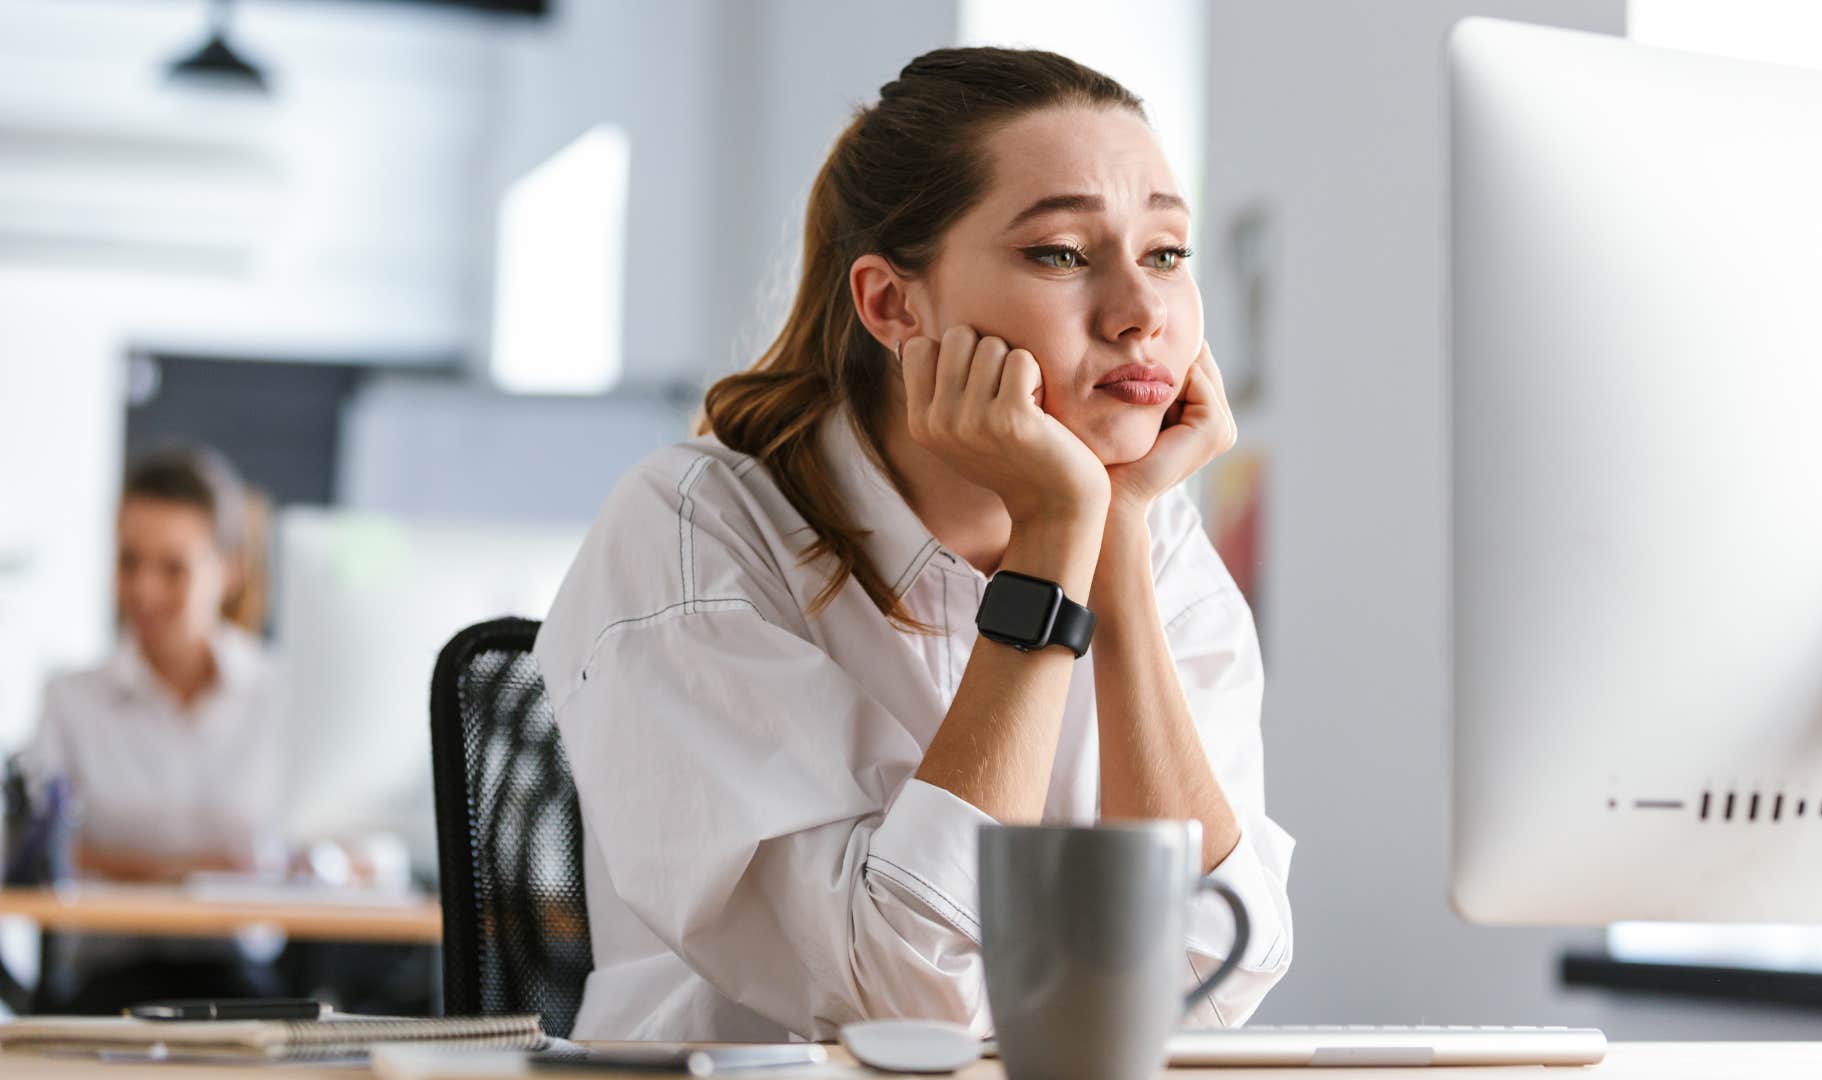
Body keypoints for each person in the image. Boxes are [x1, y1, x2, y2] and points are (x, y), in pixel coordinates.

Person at [535, 46, 1295, 1042]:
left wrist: (1110, 535)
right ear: (895, 305)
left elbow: (1210, 974)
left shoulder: (1150, 540)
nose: (1141, 314)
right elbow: (902, 997)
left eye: (1164, 253)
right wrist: (1054, 544)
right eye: (1062, 252)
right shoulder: (694, 534)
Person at [18, 445, 289, 1010]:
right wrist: (198, 872)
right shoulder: (71, 698)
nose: (143, 591)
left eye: (173, 568)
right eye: (128, 562)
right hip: (105, 979)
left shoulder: (280, 695)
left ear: (230, 569)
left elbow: (313, 848)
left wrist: (126, 866)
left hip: (240, 979)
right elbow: (37, 850)